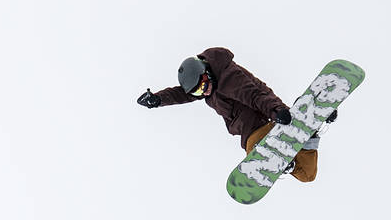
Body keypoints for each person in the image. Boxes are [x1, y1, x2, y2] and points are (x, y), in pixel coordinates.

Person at [137, 47, 336, 184]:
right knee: (308, 175)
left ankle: (286, 139)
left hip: (260, 126)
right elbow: (182, 93)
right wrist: (158, 99)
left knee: (254, 150)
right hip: (267, 124)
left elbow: (255, 96)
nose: (204, 93)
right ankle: (303, 144)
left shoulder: (228, 79)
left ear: (206, 72)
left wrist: (277, 112)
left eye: (204, 86)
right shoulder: (210, 86)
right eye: (198, 92)